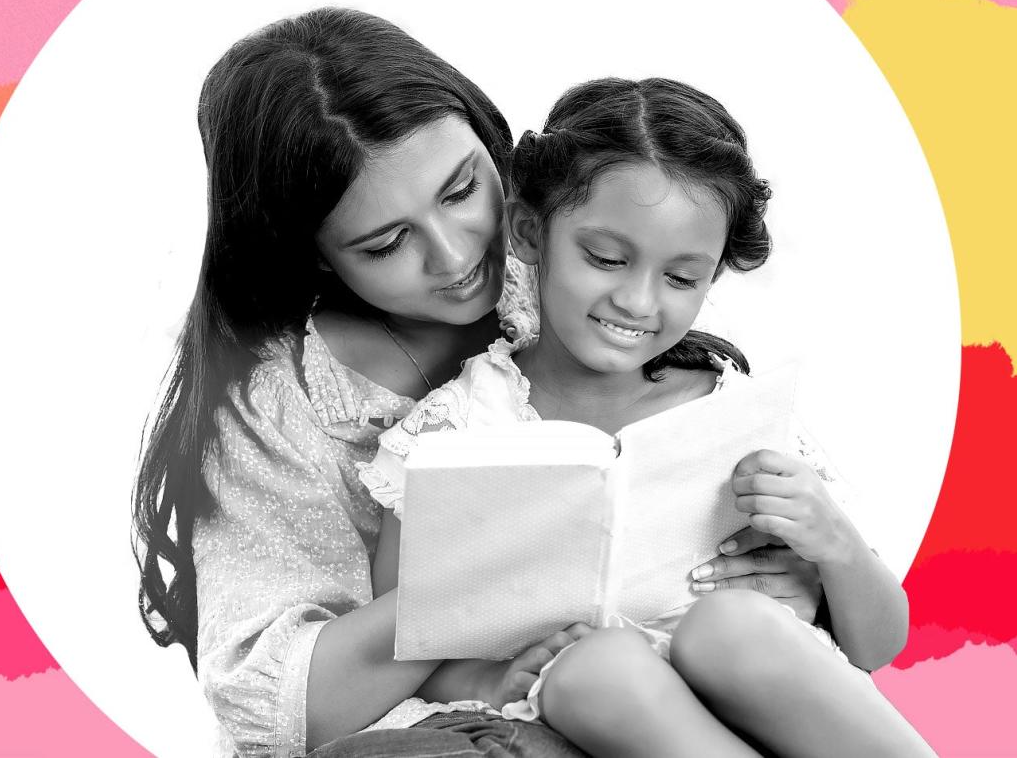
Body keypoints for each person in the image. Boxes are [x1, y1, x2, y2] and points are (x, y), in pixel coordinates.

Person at [131, 8, 828, 758]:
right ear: (318, 257)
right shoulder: (279, 405)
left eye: (462, 190)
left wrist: (793, 581)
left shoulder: (574, 262)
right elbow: (276, 710)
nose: (456, 254)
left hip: (640, 694)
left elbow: (752, 492)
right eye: (388, 242)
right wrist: (493, 586)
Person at [360, 78, 936, 758]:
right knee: (597, 668)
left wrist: (833, 545)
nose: (637, 301)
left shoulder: (729, 410)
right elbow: (408, 641)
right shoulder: (452, 433)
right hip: (604, 704)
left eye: (682, 278)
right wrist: (489, 680)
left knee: (729, 627)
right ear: (528, 232)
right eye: (605, 259)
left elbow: (878, 646)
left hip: (767, 696)